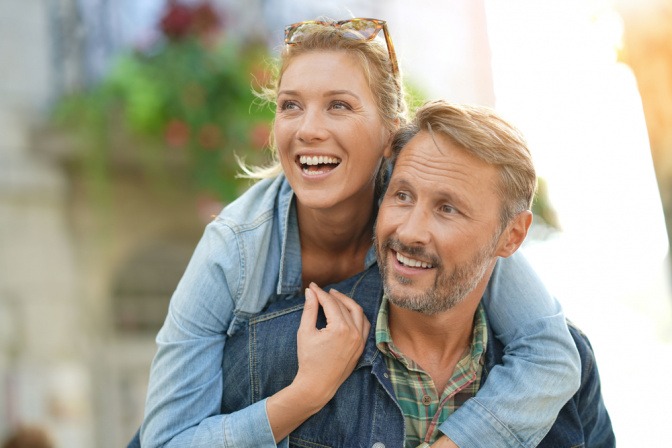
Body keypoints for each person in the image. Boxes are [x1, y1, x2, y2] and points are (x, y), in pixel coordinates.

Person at [135, 19, 581, 447]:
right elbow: (165, 438)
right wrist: (308, 392)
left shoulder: (420, 216)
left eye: (339, 105)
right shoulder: (233, 249)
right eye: (291, 105)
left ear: (391, 133)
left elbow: (551, 354)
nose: (308, 129)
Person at [220, 100, 615, 447]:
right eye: (402, 196)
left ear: (511, 236)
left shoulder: (566, 369)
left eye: (447, 208)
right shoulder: (273, 351)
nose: (409, 232)